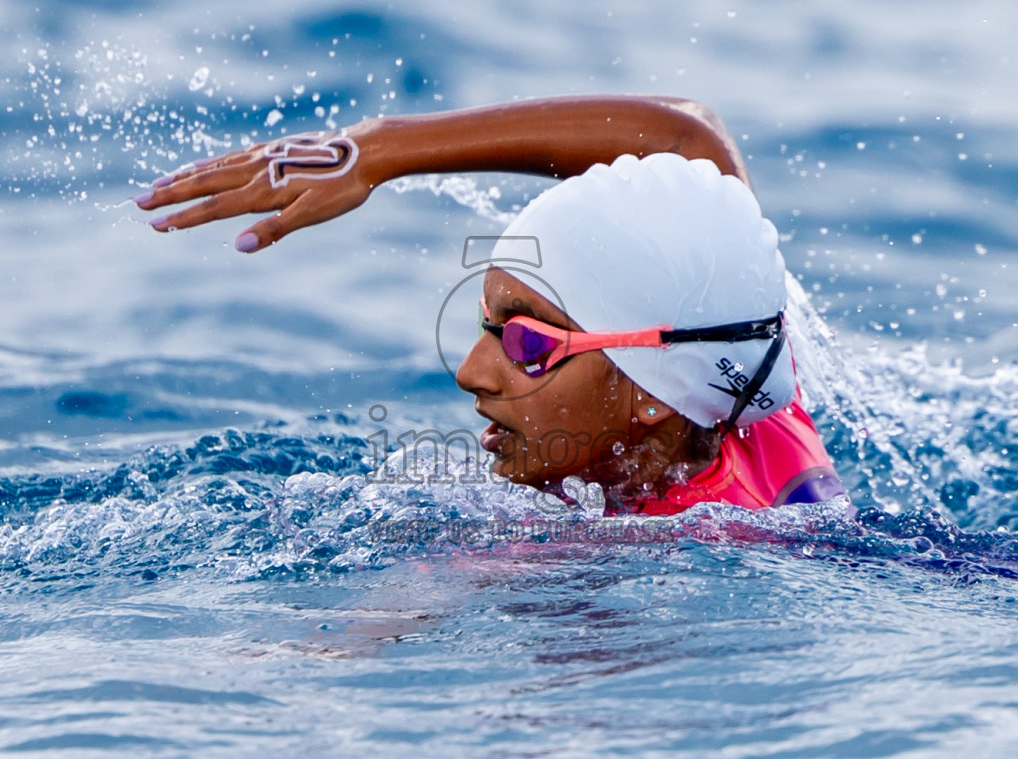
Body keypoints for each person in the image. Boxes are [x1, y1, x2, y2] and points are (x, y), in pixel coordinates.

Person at [137, 96, 844, 514]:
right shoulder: (742, 375)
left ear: (655, 393)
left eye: (529, 343)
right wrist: (377, 151)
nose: (471, 372)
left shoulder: (661, 558)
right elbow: (683, 143)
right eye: (488, 327)